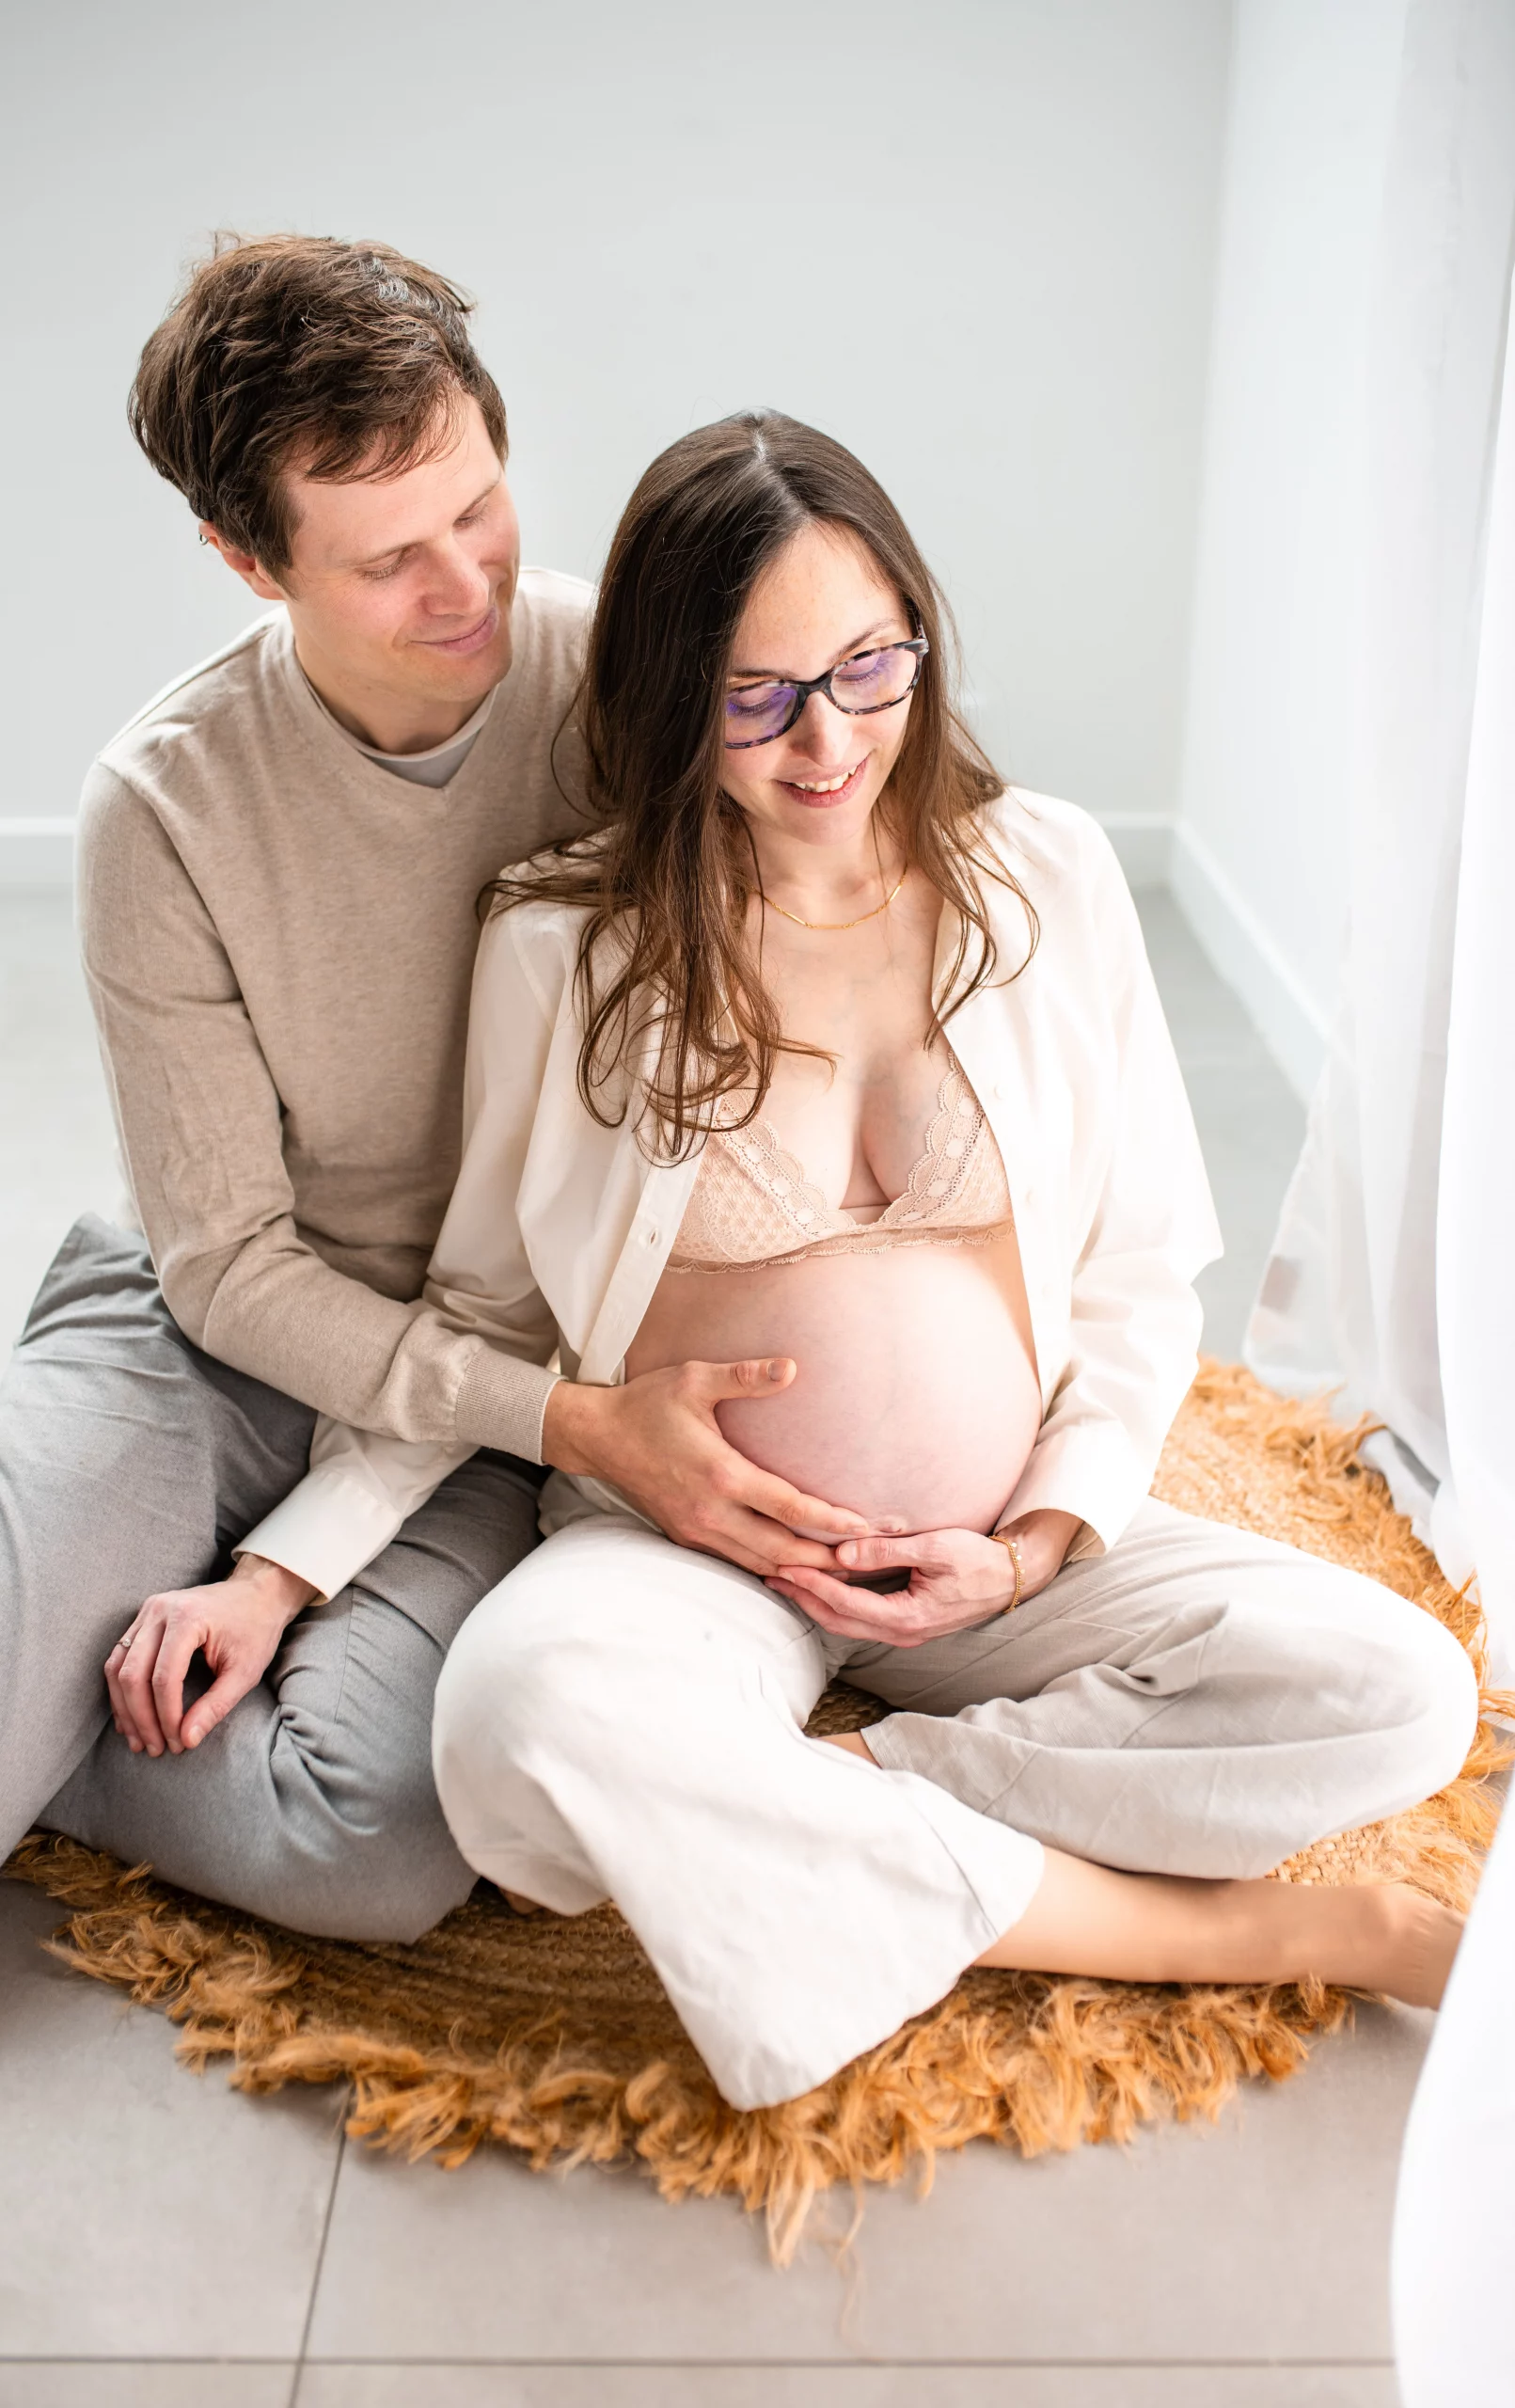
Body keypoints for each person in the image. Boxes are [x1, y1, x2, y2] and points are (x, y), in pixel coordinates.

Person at [234, 412, 1479, 2110]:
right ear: (672, 698)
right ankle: (1254, 1930)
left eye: (866, 667)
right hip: (690, 1550)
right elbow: (483, 1307)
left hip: (990, 1570)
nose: (826, 739)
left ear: (917, 635)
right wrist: (290, 1564)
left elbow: (1129, 1275)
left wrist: (1036, 1548)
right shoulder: (565, 947)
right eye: (755, 696)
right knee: (515, 1723)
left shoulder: (1042, 876)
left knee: (1393, 1691)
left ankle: (796, 1802)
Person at [0, 246, 880, 1949]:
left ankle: (29, 1708)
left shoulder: (629, 687)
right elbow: (222, 1268)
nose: (465, 588)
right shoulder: (164, 804)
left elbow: (868, 826)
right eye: (384, 559)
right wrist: (572, 1427)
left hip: (496, 1370)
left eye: (481, 510)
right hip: (203, 1334)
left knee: (371, 1842)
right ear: (243, 559)